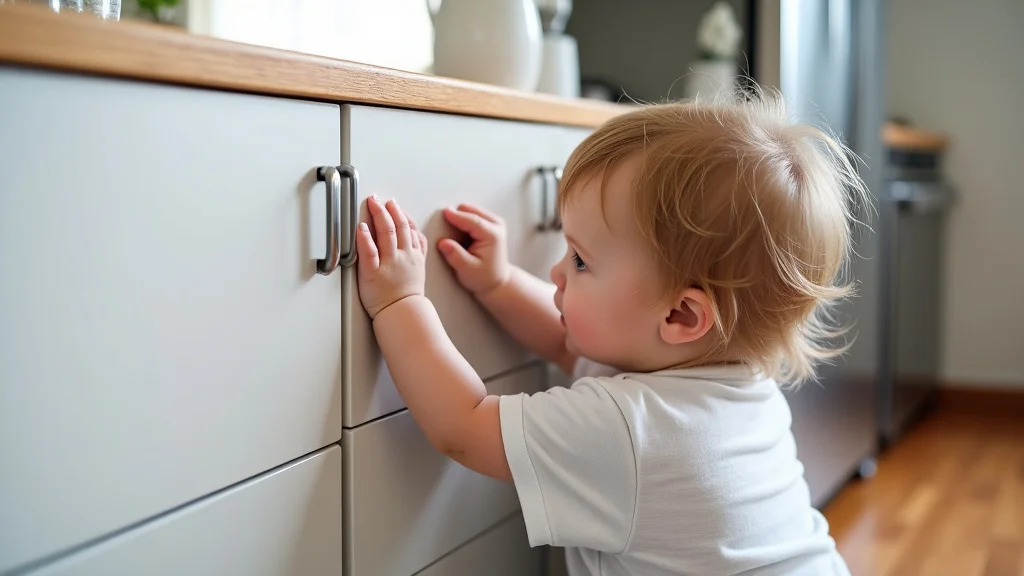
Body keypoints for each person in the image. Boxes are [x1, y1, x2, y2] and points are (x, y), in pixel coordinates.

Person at [353, 92, 865, 575]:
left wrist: (400, 302)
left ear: (682, 316)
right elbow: (565, 341)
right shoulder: (730, 381)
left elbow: (462, 428)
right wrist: (500, 282)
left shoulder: (630, 431)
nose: (556, 274)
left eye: (580, 260)